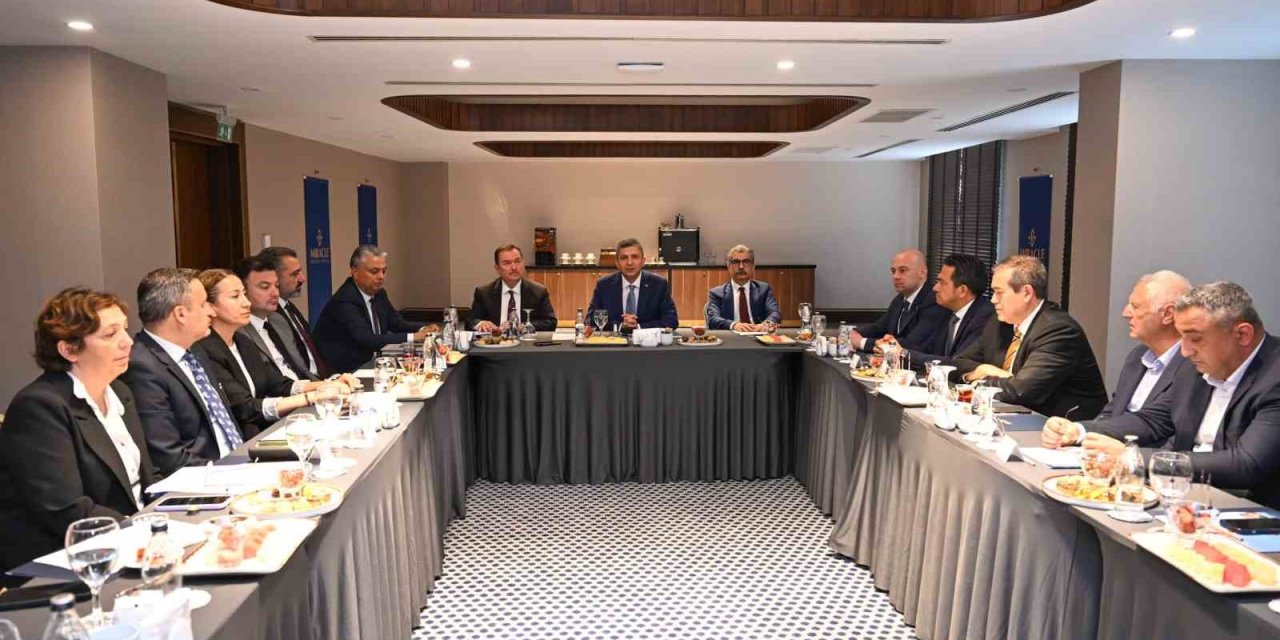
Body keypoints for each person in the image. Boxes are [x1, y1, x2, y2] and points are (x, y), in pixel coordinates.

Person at [1042, 281, 1280, 508]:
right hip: (1184, 497)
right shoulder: (1193, 367)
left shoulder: (1274, 376)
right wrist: (1080, 430)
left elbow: (1248, 464)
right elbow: (1153, 419)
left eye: (1195, 339)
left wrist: (1132, 457)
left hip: (1252, 512)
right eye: (1182, 337)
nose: (1185, 351)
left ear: (1242, 335)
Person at [0, 288, 159, 570]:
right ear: (69, 349)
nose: (127, 342)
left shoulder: (119, 392)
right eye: (110, 334)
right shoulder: (39, 406)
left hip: (131, 540)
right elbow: (66, 509)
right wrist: (144, 531)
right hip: (67, 560)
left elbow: (146, 478)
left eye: (125, 329)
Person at [121, 268, 252, 476]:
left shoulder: (195, 349)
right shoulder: (142, 368)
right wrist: (235, 474)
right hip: (204, 479)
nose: (212, 312)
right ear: (180, 314)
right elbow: (169, 456)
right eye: (204, 304)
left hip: (238, 461)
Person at [190, 269, 356, 432]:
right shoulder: (204, 350)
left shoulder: (242, 341)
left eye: (244, 294)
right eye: (235, 296)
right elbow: (245, 407)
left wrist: (329, 385)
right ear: (210, 306)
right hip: (245, 436)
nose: (246, 303)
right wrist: (311, 398)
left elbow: (279, 384)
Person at [953, 255, 1107, 419]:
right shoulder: (1000, 323)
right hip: (1014, 417)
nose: (993, 300)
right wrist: (983, 370)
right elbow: (959, 362)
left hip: (1062, 425)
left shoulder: (1058, 330)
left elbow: (1021, 391)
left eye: (999, 293)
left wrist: (980, 382)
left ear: (1027, 293)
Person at [313, 245, 435, 373]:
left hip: (370, 364)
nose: (381, 276)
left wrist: (423, 329)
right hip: (344, 370)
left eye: (384, 271)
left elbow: (395, 322)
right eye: (374, 271)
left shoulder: (379, 293)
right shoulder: (345, 299)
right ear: (355, 272)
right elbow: (367, 339)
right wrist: (413, 337)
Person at [1093, 271, 1193, 420]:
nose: (1125, 313)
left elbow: (1157, 423)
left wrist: (1081, 429)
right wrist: (1079, 429)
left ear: (1168, 314)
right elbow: (1113, 411)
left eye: (1136, 307)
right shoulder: (1137, 356)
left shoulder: (1192, 365)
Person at [848, 248, 950, 353]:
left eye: (903, 270)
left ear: (922, 273)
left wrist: (862, 343)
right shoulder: (901, 298)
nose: (895, 276)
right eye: (893, 271)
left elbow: (912, 344)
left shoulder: (934, 300)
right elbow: (880, 327)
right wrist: (853, 333)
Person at [902, 253, 995, 368]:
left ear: (962, 291)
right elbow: (925, 348)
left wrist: (904, 353)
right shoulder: (944, 311)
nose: (935, 288)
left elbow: (957, 363)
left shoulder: (985, 318)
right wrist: (893, 346)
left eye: (942, 282)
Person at [236, 256, 318, 381]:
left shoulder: (278, 320)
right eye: (265, 287)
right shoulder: (239, 331)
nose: (275, 293)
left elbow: (302, 369)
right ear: (243, 292)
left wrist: (326, 385)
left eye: (276, 286)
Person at [260, 245, 327, 378]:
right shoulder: (271, 316)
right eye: (295, 274)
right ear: (274, 278)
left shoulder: (289, 307)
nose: (302, 279)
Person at [587, 238, 678, 330]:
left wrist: (638, 327)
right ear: (617, 263)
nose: (629, 263)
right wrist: (620, 326)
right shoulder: (604, 285)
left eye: (634, 257)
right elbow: (590, 320)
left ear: (643, 261)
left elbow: (671, 321)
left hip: (646, 338)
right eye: (624, 258)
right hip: (615, 338)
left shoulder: (658, 284)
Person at [468, 244, 557, 333]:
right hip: (496, 340)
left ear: (523, 264)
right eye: (507, 263)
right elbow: (470, 322)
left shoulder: (538, 292)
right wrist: (481, 324)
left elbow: (551, 322)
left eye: (517, 261)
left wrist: (524, 326)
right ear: (497, 269)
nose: (514, 267)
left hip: (525, 340)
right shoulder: (484, 292)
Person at [704, 244, 781, 331]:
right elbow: (713, 319)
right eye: (736, 262)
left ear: (753, 266)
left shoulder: (764, 289)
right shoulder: (717, 293)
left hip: (758, 334)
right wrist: (734, 325)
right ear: (729, 267)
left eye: (746, 262)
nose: (741, 267)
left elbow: (775, 313)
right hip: (731, 336)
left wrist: (765, 325)